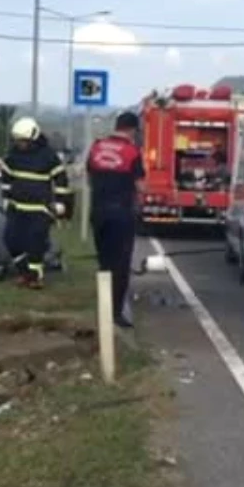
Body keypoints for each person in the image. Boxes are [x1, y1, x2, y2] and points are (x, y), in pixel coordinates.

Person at [86, 111, 144, 328]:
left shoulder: (97, 147)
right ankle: (115, 313)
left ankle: (103, 306)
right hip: (121, 214)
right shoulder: (131, 152)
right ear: (132, 130)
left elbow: (90, 176)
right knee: (120, 265)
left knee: (104, 261)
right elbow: (140, 186)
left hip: (98, 212)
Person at [0, 117, 73, 289]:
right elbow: (6, 180)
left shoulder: (48, 156)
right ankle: (24, 271)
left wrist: (62, 204)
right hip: (17, 207)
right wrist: (6, 199)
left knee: (35, 243)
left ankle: (35, 277)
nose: (20, 144)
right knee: (11, 240)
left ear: (33, 138)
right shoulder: (13, 156)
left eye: (23, 141)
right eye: (17, 141)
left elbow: (61, 180)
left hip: (40, 208)